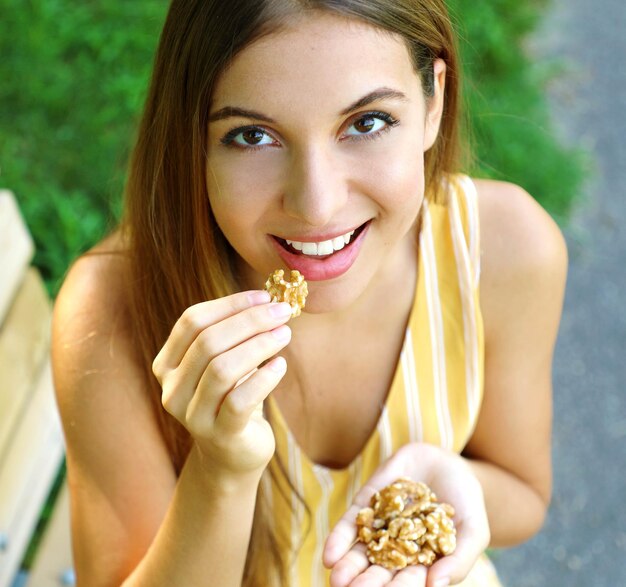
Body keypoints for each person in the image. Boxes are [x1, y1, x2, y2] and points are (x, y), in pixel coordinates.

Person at [51, 1, 567, 586]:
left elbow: (524, 494)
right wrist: (221, 471)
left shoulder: (503, 250)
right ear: (192, 139)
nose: (317, 205)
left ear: (433, 102)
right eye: (252, 135)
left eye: (367, 122)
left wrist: (448, 487)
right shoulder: (110, 312)